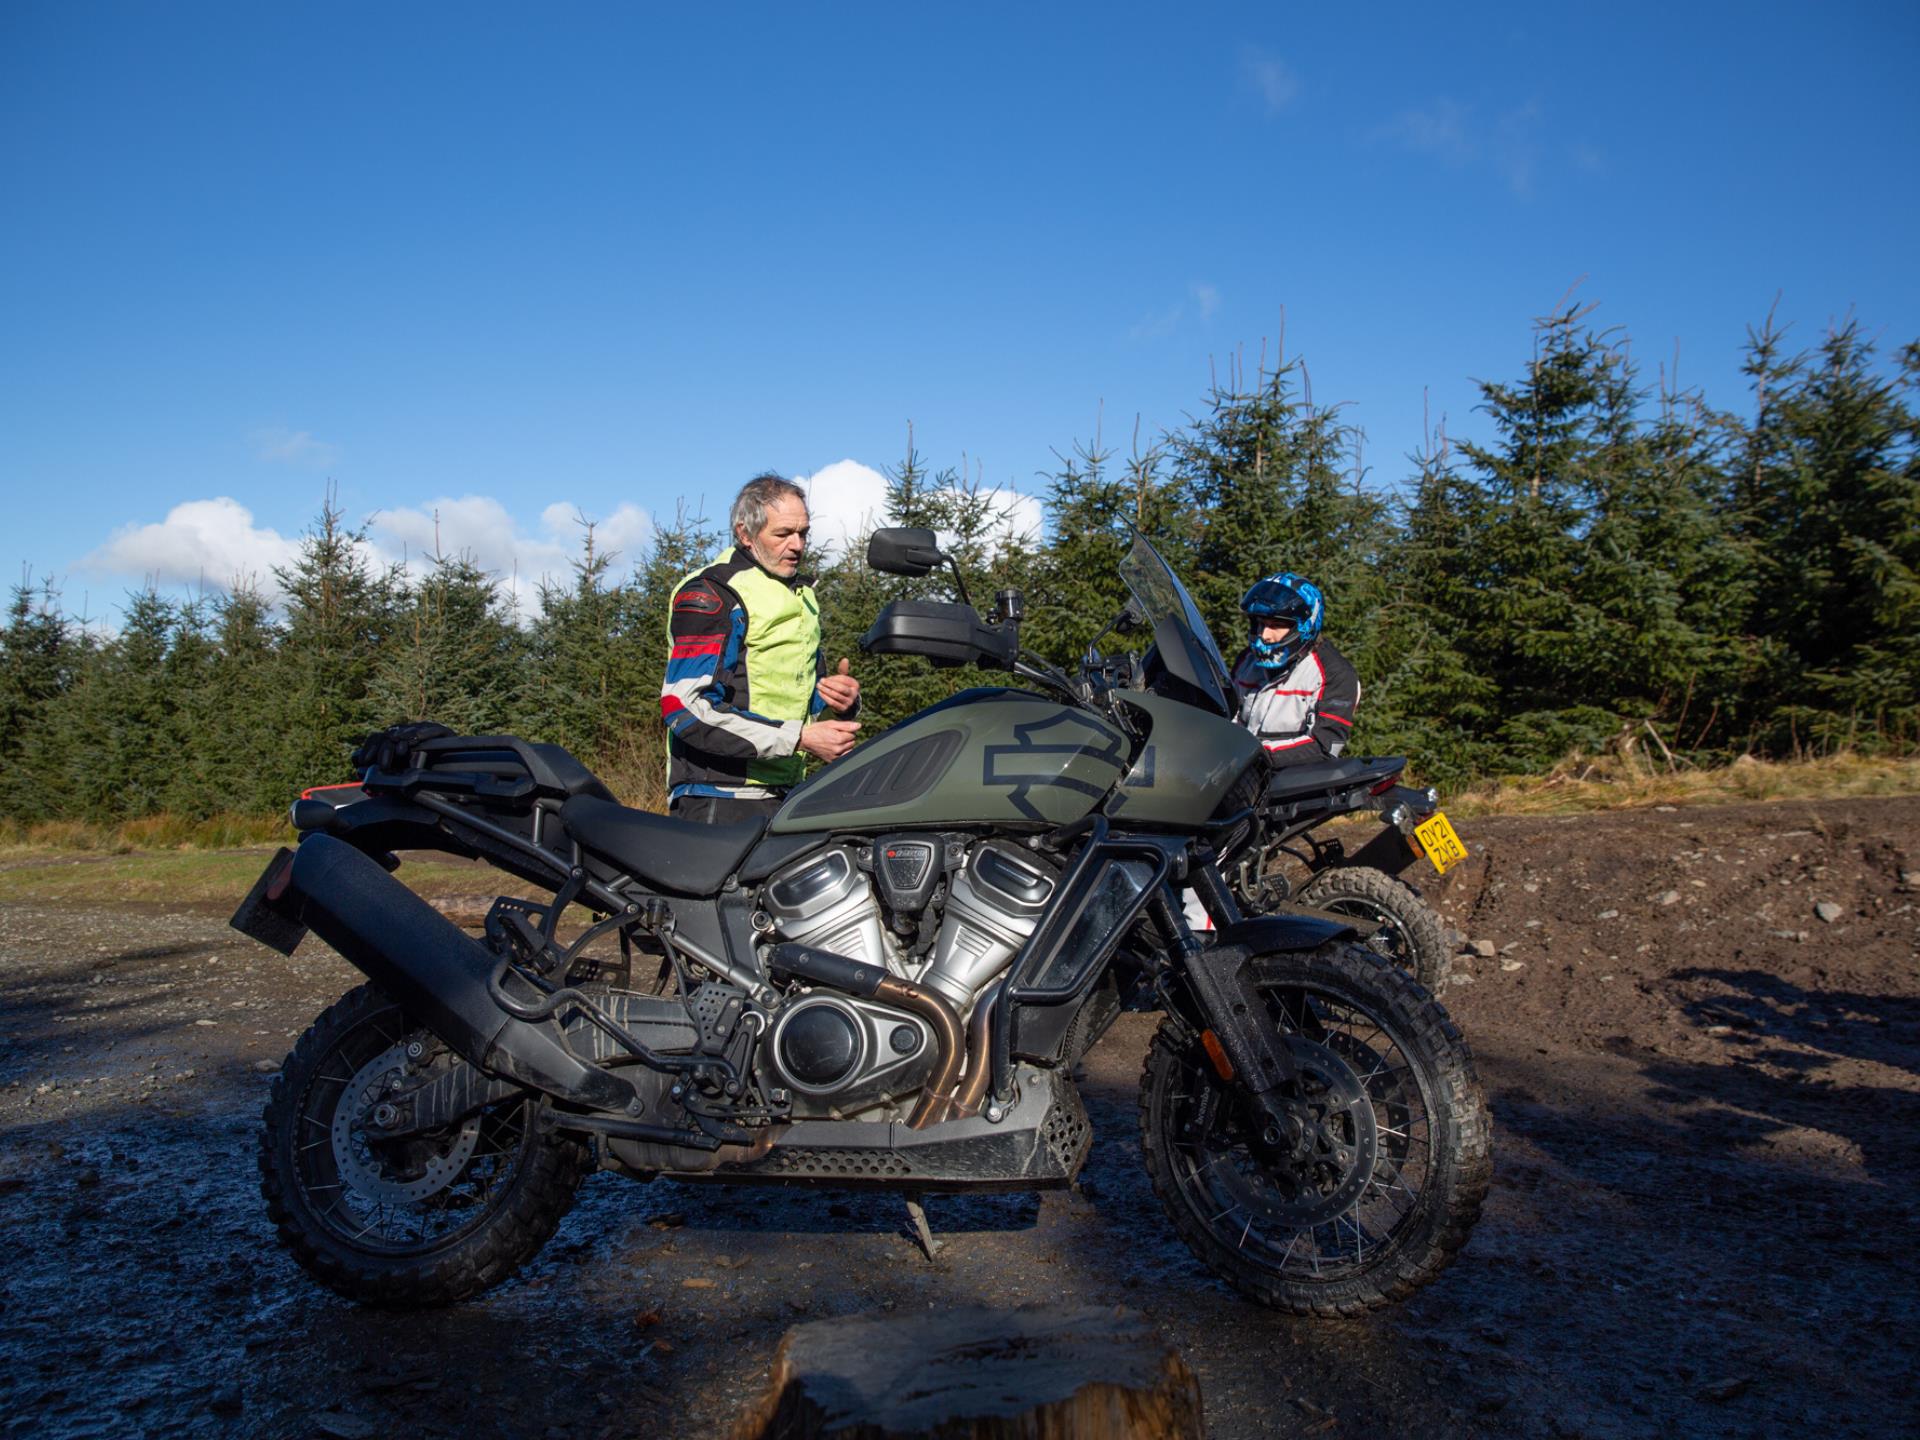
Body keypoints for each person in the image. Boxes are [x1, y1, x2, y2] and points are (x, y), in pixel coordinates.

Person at [659, 473, 862, 823]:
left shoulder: (801, 597)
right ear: (745, 534)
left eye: (803, 533)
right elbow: (684, 706)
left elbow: (804, 707)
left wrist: (841, 704)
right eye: (783, 534)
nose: (797, 545)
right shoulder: (713, 592)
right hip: (718, 798)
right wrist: (798, 739)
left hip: (786, 795)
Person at [1230, 571, 1360, 765]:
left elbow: (1325, 746)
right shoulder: (1247, 661)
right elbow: (1228, 717)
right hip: (1235, 775)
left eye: (1276, 625)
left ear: (1303, 627)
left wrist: (1253, 756)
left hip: (1293, 784)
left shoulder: (1335, 674)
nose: (1264, 635)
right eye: (1260, 624)